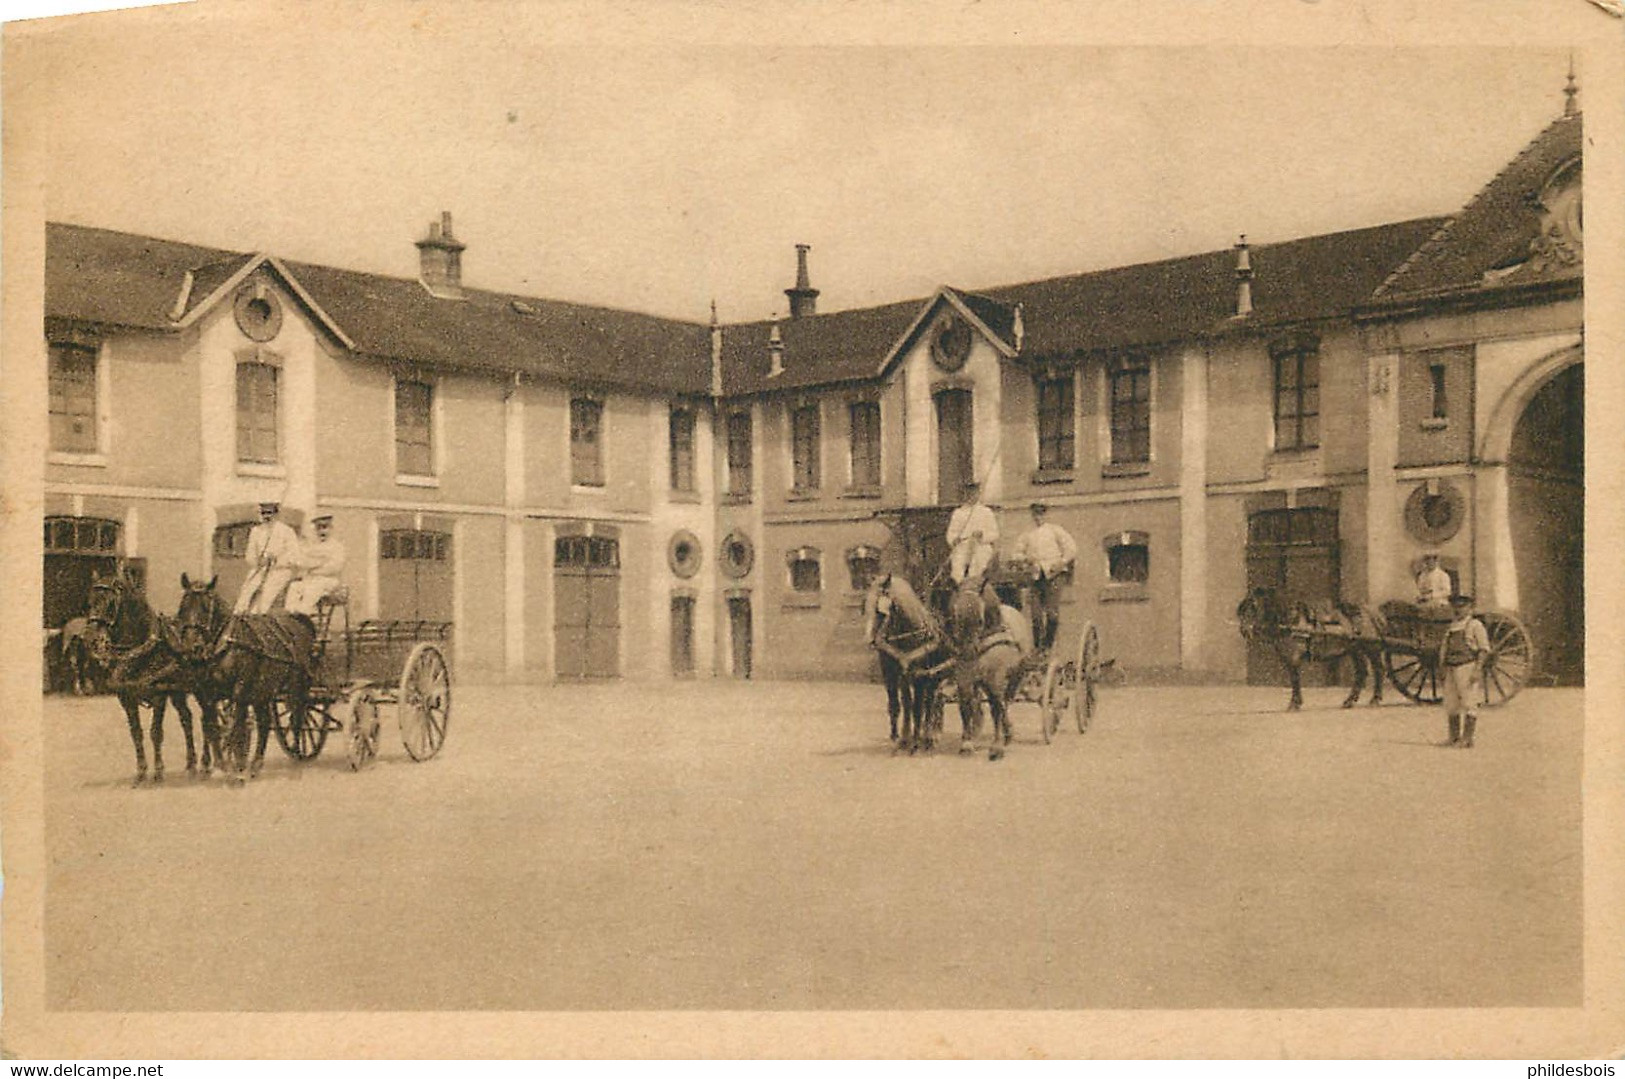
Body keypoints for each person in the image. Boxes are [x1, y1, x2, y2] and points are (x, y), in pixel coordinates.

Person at [1012, 502, 1077, 650]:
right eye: (1035, 514)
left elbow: (1071, 548)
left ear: (1046, 515)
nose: (1038, 517)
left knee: (1052, 613)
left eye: (1041, 514)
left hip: (1053, 575)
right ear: (1032, 515)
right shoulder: (1027, 534)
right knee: (1035, 615)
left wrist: (1062, 562)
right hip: (1036, 576)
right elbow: (1016, 553)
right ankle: (1038, 648)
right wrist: (1025, 559)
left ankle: (1047, 646)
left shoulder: (1055, 531)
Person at [1438, 593, 1491, 749]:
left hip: (1466, 666)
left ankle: (1467, 739)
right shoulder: (1452, 627)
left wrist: (1477, 669)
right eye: (1456, 606)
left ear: (1470, 608)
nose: (1458, 610)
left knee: (1469, 702)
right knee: (1451, 702)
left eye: (1462, 606)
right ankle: (1454, 737)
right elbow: (1444, 648)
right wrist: (1442, 666)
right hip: (1451, 667)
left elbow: (1483, 649)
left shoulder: (1475, 625)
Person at [233, 500, 302, 615]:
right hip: (260, 569)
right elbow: (250, 555)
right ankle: (239, 616)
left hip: (280, 570)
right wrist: (257, 561)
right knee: (246, 591)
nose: (267, 516)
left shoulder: (286, 531)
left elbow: (295, 556)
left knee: (265, 595)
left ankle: (258, 617)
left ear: (276, 514)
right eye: (264, 513)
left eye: (269, 513)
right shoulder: (256, 531)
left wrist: (275, 560)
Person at [285, 513, 347, 618]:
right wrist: (317, 564)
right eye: (319, 528)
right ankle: (290, 615)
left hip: (329, 581)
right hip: (311, 579)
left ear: (331, 529)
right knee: (294, 587)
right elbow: (303, 562)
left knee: (315, 587)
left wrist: (313, 568)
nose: (322, 531)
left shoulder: (336, 547)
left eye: (325, 527)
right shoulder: (313, 546)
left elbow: (335, 567)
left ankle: (303, 613)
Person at [946, 480, 998, 586]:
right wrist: (954, 539)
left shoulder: (986, 512)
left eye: (974, 492)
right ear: (964, 494)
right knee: (957, 563)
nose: (971, 495)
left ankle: (976, 586)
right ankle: (959, 587)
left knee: (979, 563)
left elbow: (995, 533)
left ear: (978, 493)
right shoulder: (958, 513)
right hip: (963, 546)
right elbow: (951, 533)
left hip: (980, 546)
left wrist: (982, 535)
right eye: (968, 492)